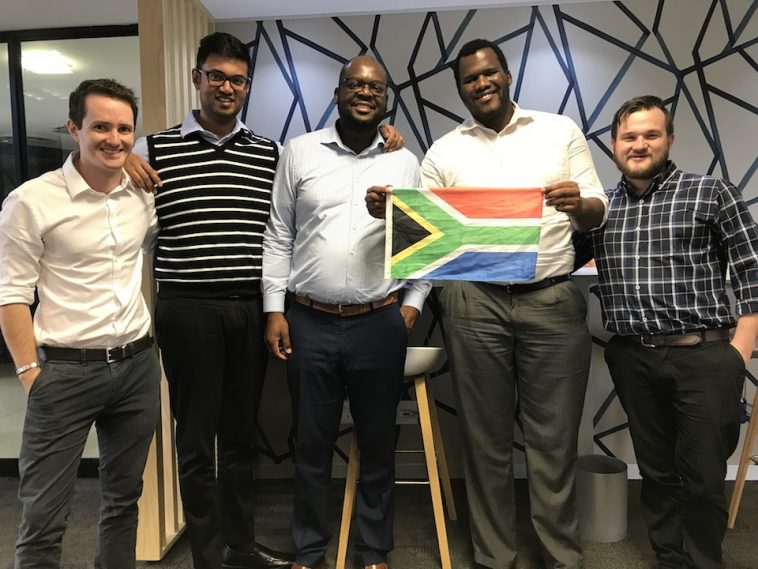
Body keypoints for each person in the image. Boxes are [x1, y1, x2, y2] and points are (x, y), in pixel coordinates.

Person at [368, 38, 608, 569]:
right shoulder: (443, 152)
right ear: (460, 89)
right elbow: (420, 231)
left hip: (552, 297)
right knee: (484, 438)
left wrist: (579, 204)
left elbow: (597, 208)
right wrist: (388, 211)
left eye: (489, 73)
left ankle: (560, 557)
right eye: (470, 79)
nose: (481, 83)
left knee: (554, 440)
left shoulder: (559, 130)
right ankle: (494, 557)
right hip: (474, 303)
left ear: (506, 74)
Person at [123, 32, 293, 569]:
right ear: (197, 78)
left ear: (247, 86)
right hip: (187, 308)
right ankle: (207, 556)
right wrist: (121, 159)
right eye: (216, 76)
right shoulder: (152, 149)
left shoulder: (270, 152)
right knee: (196, 441)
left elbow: (281, 231)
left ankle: (240, 546)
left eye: (237, 80)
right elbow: (109, 205)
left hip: (249, 307)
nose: (226, 87)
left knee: (241, 437)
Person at [262, 55, 431, 569]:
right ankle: (310, 549)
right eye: (355, 85)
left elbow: (423, 240)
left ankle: (372, 550)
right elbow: (279, 235)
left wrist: (411, 305)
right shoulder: (299, 152)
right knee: (311, 444)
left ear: (386, 99)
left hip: (380, 322)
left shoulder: (405, 162)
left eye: (375, 87)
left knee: (377, 443)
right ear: (337, 93)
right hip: (308, 321)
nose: (364, 93)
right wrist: (274, 309)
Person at [588, 95, 758, 569]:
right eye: (629, 136)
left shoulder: (710, 192)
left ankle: (704, 562)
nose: (639, 144)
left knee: (703, 476)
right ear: (614, 144)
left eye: (651, 134)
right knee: (656, 472)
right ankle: (669, 559)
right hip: (633, 356)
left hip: (704, 356)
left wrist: (738, 352)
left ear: (669, 139)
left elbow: (752, 270)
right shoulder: (601, 209)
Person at [0, 78, 160, 569]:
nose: (114, 139)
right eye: (101, 127)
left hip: (136, 366)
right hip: (64, 372)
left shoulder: (141, 197)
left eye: (124, 129)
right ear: (74, 128)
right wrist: (30, 373)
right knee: (43, 515)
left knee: (122, 502)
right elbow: (11, 295)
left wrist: (128, 162)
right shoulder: (31, 200)